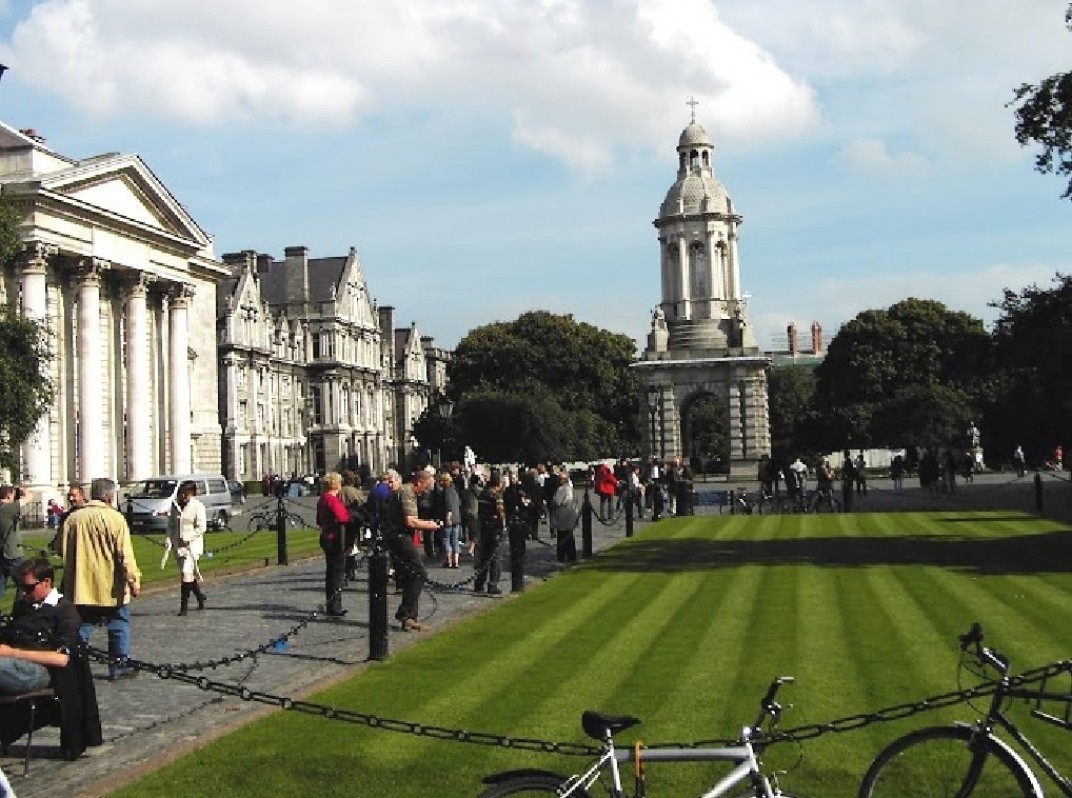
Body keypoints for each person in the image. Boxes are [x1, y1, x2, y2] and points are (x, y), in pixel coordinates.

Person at [0, 557, 102, 759]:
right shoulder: (23, 606)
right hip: (13, 666)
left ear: (46, 582)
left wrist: (12, 653)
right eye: (20, 587)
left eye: (28, 588)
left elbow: (61, 659)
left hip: (42, 671)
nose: (23, 592)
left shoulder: (65, 611)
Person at [59, 478, 142, 681]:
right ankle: (119, 666)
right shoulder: (115, 519)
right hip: (110, 585)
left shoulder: (73, 519)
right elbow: (125, 555)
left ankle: (73, 665)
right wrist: (133, 580)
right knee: (118, 624)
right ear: (110, 496)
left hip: (82, 585)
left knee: (83, 627)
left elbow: (62, 550)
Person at [386, 469, 438, 631]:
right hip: (400, 536)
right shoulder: (408, 492)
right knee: (419, 572)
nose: (426, 491)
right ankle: (407, 613)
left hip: (396, 535)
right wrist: (431, 525)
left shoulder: (406, 491)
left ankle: (409, 616)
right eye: (426, 487)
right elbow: (411, 521)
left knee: (411, 574)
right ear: (419, 482)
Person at [166, 480, 208, 616]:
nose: (184, 496)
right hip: (178, 545)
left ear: (193, 494)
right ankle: (199, 596)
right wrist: (168, 539)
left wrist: (188, 538)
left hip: (192, 546)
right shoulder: (175, 505)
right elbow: (171, 524)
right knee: (187, 574)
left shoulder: (198, 506)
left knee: (185, 573)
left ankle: (183, 608)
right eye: (183, 493)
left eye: (187, 494)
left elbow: (202, 527)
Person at [316, 472, 350, 618]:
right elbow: (343, 517)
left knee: (331, 573)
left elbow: (318, 520)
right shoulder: (332, 499)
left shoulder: (322, 499)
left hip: (326, 537)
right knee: (337, 574)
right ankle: (335, 606)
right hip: (335, 538)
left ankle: (332, 604)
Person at [474, 471, 505, 595]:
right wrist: (503, 524)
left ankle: (479, 583)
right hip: (494, 528)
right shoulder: (496, 496)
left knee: (484, 557)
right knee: (496, 558)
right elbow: (500, 512)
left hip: (483, 526)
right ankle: (493, 585)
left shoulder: (482, 493)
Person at [549, 470, 578, 562]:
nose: (559, 480)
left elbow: (557, 502)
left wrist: (551, 503)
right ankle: (571, 555)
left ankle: (562, 555)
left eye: (560, 479)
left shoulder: (562, 490)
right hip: (571, 515)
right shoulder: (571, 489)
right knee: (569, 536)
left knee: (562, 537)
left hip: (563, 516)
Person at [0, 485, 22, 601]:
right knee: (25, 582)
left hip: (2, 552)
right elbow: (29, 497)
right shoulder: (7, 509)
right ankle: (19, 612)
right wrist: (21, 489)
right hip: (12, 553)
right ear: (8, 496)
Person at [439, 472, 462, 568]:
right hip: (456, 518)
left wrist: (448, 516)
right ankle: (455, 562)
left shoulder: (446, 491)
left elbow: (448, 505)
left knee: (446, 539)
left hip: (449, 518)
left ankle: (448, 561)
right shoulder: (455, 490)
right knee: (455, 540)